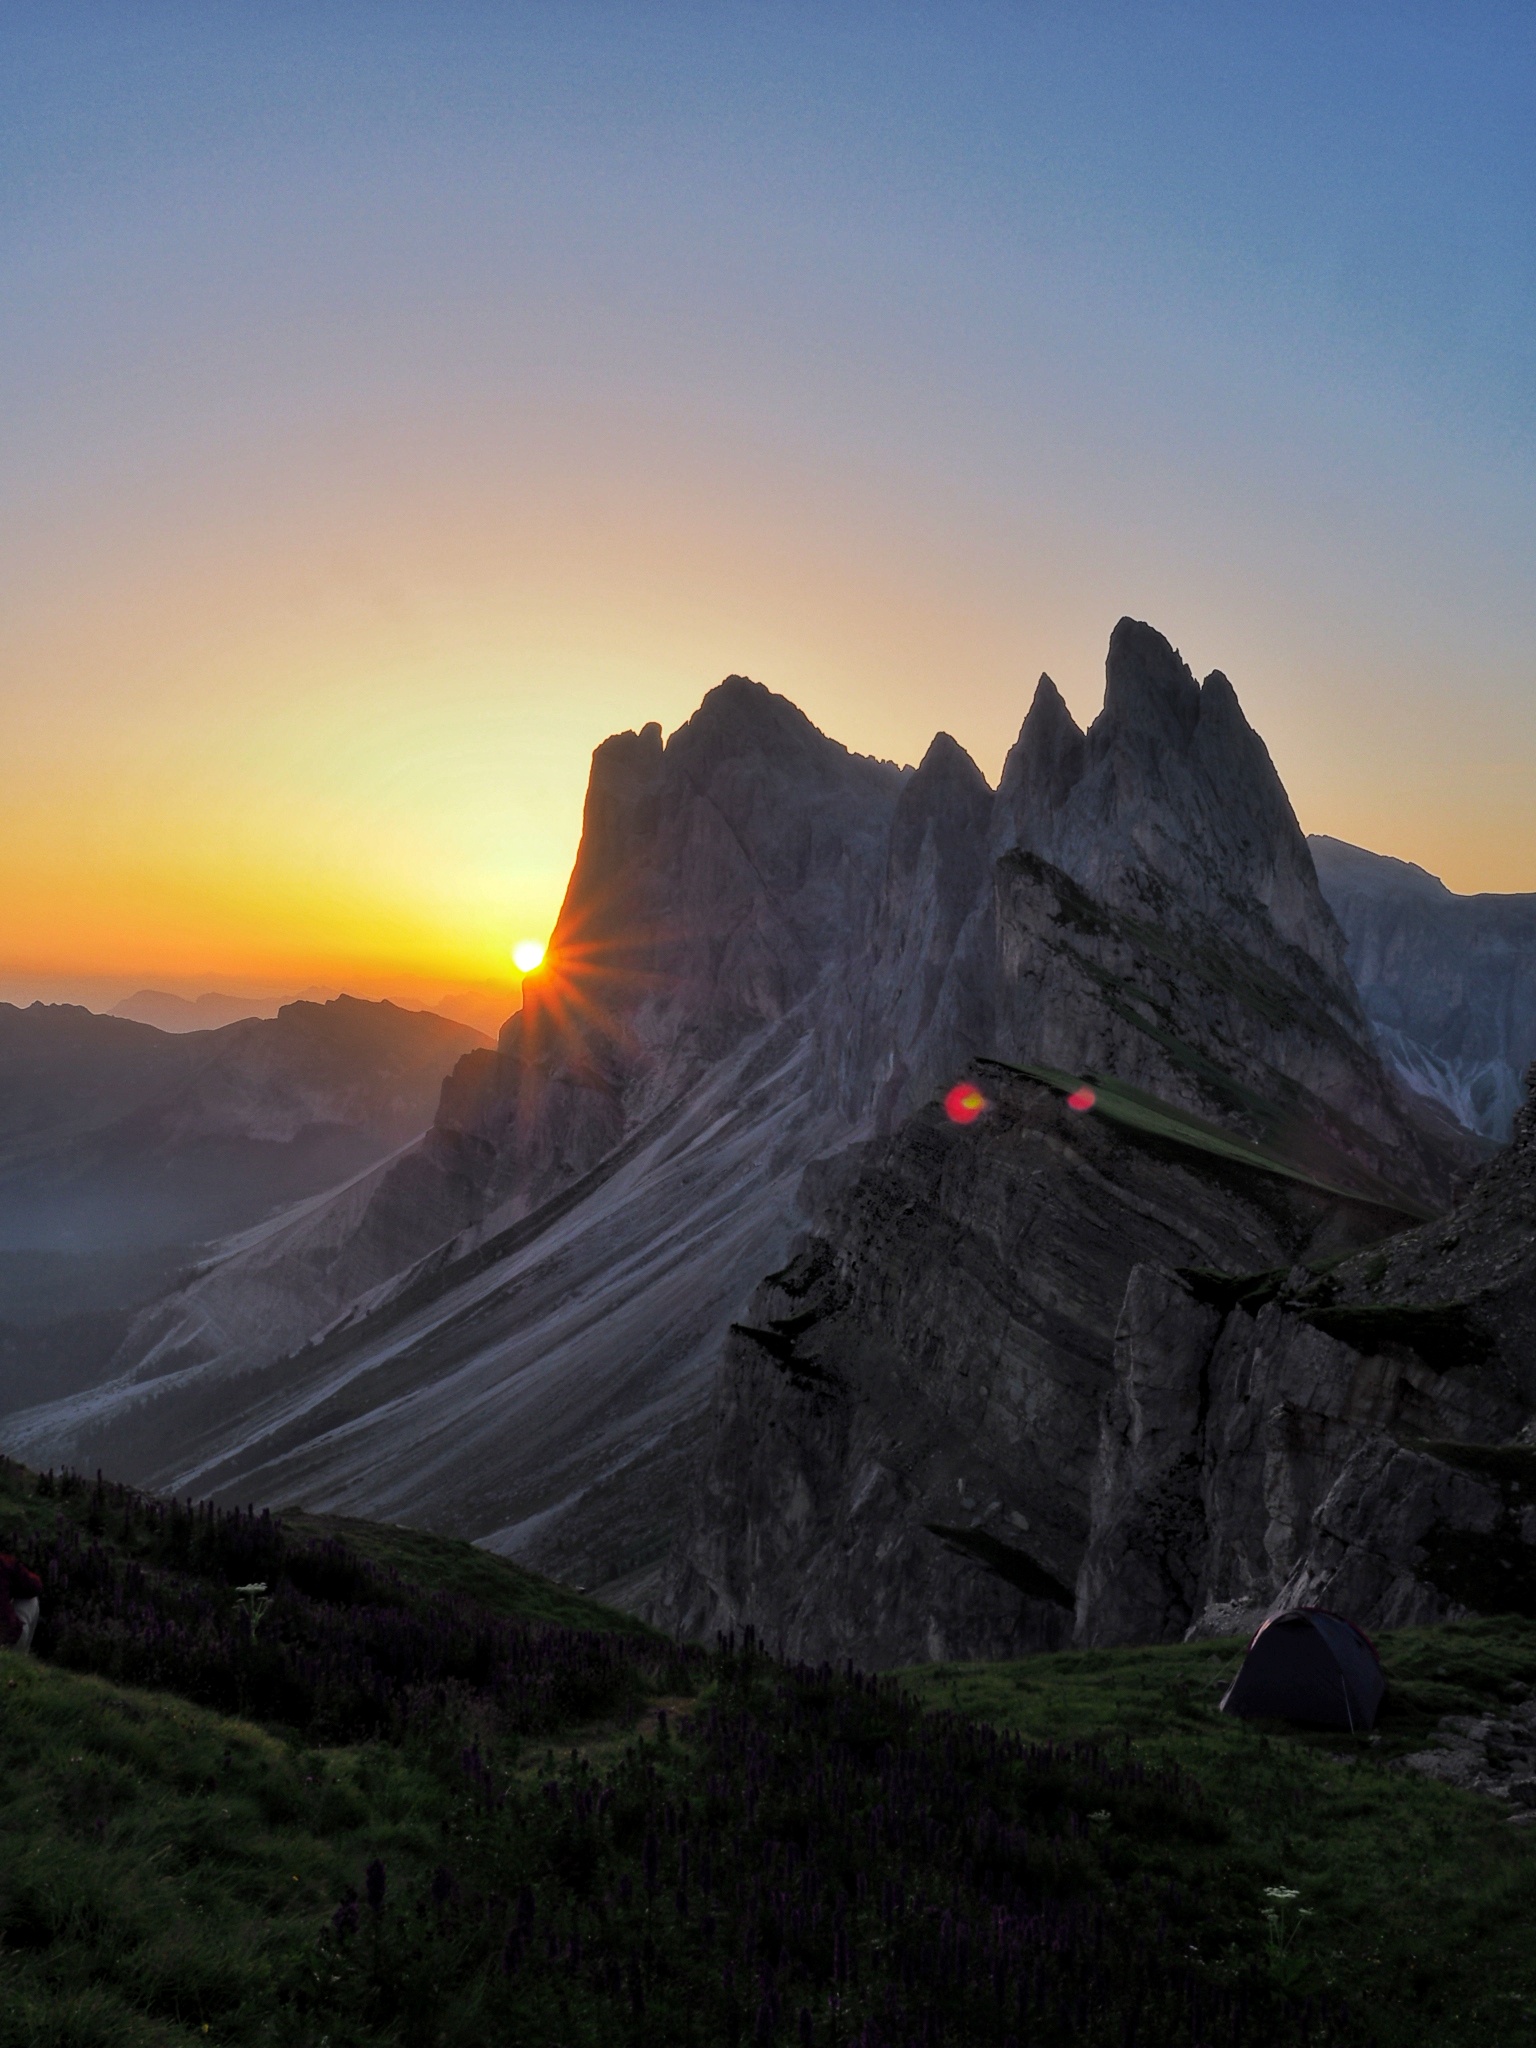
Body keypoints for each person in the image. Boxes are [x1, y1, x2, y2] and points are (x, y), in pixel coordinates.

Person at [0, 1550, 43, 1653]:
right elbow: (35, 1586)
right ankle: (22, 1657)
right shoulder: (4, 1562)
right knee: (31, 1600)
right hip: (6, 1637)